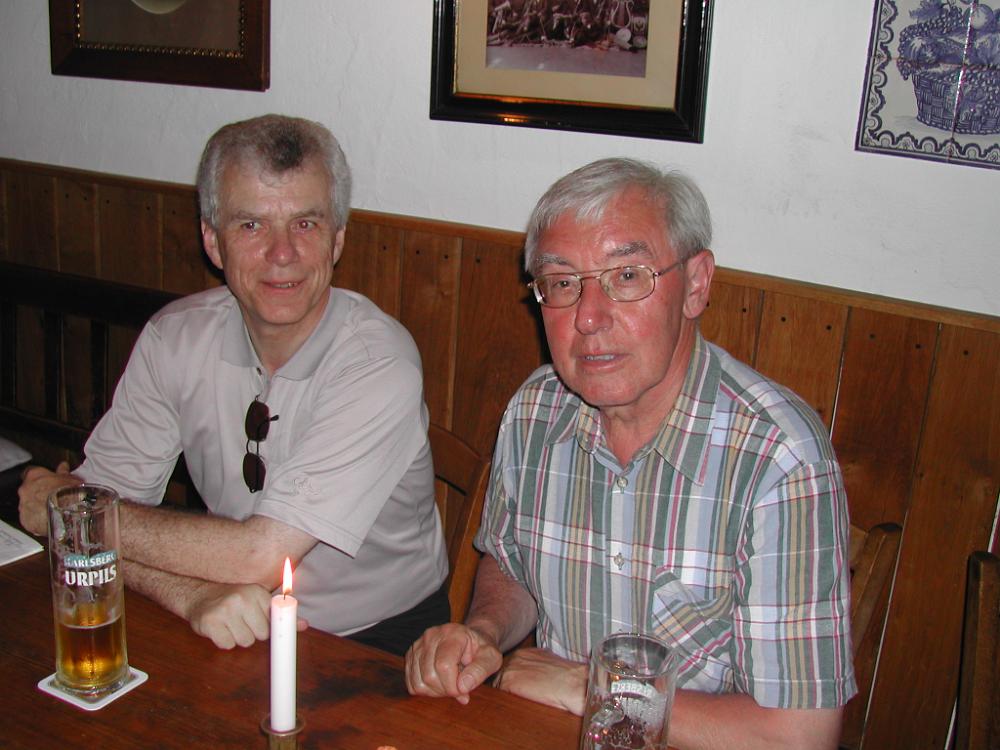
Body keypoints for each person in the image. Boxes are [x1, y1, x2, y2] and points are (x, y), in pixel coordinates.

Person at [405, 158, 856, 748]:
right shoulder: (535, 411)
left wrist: (594, 690)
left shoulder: (778, 457)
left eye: (626, 276)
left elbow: (800, 736)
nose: (589, 318)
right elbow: (512, 564)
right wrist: (484, 632)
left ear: (696, 285)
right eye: (563, 283)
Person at [19, 114, 448, 656]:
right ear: (213, 242)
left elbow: (259, 557)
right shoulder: (174, 338)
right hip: (225, 610)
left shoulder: (378, 364)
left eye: (306, 223)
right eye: (251, 225)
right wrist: (189, 594)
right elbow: (91, 525)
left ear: (337, 239)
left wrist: (68, 510)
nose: (282, 253)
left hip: (376, 642)